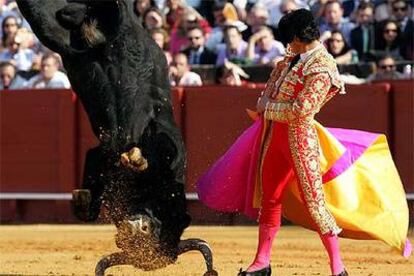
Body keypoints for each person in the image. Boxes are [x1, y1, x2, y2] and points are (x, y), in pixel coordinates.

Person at [197, 9, 411, 276]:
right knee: (270, 199)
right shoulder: (292, 58)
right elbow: (271, 89)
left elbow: (301, 110)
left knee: (316, 204)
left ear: (299, 37)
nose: (288, 44)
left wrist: (267, 107)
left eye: (290, 39)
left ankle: (338, 269)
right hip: (274, 137)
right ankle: (262, 262)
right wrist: (267, 102)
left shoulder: (323, 67)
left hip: (300, 140)